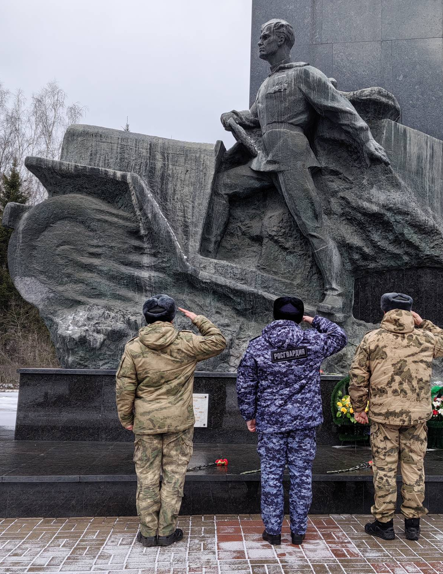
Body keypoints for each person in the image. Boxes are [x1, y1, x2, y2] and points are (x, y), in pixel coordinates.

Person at [200, 18, 391, 316]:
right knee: (223, 185)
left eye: (266, 37)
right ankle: (208, 255)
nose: (260, 42)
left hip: (292, 157)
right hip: (265, 159)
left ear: (282, 41)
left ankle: (336, 293)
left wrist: (366, 140)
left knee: (311, 224)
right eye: (260, 37)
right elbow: (254, 117)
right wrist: (232, 115)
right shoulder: (266, 84)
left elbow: (340, 108)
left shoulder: (305, 74)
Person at [115, 294, 227, 547]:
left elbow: (124, 387)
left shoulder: (134, 347)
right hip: (179, 422)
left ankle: (147, 532)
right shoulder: (185, 342)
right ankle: (166, 531)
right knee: (174, 476)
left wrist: (126, 418)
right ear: (172, 316)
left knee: (146, 476)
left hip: (146, 422)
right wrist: (198, 319)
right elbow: (219, 341)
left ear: (146, 317)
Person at [236, 296, 347, 545]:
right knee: (301, 475)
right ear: (299, 317)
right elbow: (340, 336)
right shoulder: (313, 341)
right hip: (304, 423)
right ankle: (298, 531)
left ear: (274, 316)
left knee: (271, 474)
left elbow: (245, 383)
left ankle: (273, 531)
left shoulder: (258, 346)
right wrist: (315, 321)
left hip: (271, 421)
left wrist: (249, 415)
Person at [348, 292, 443, 541]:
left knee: (384, 469)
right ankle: (412, 524)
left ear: (385, 311)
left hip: (384, 416)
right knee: (414, 467)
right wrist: (423, 322)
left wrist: (358, 408)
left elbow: (358, 376)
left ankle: (384, 524)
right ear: (410, 312)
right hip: (416, 417)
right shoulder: (425, 338)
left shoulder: (372, 339)